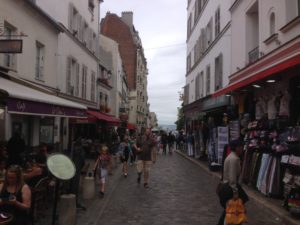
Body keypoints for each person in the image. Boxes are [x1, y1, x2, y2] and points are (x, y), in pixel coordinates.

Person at [217, 139, 249, 225]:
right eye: (241, 147)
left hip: (227, 187)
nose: (242, 149)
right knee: (232, 209)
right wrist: (235, 193)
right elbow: (232, 178)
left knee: (230, 209)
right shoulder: (234, 159)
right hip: (229, 189)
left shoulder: (232, 157)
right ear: (237, 148)